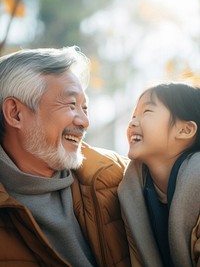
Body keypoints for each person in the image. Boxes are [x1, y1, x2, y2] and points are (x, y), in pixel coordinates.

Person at [0, 46, 131, 267]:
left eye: (85, 107)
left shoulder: (117, 176)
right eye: (71, 104)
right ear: (15, 113)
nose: (84, 122)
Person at [118, 82, 200, 267]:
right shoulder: (131, 189)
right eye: (133, 115)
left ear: (185, 130)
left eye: (147, 112)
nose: (132, 122)